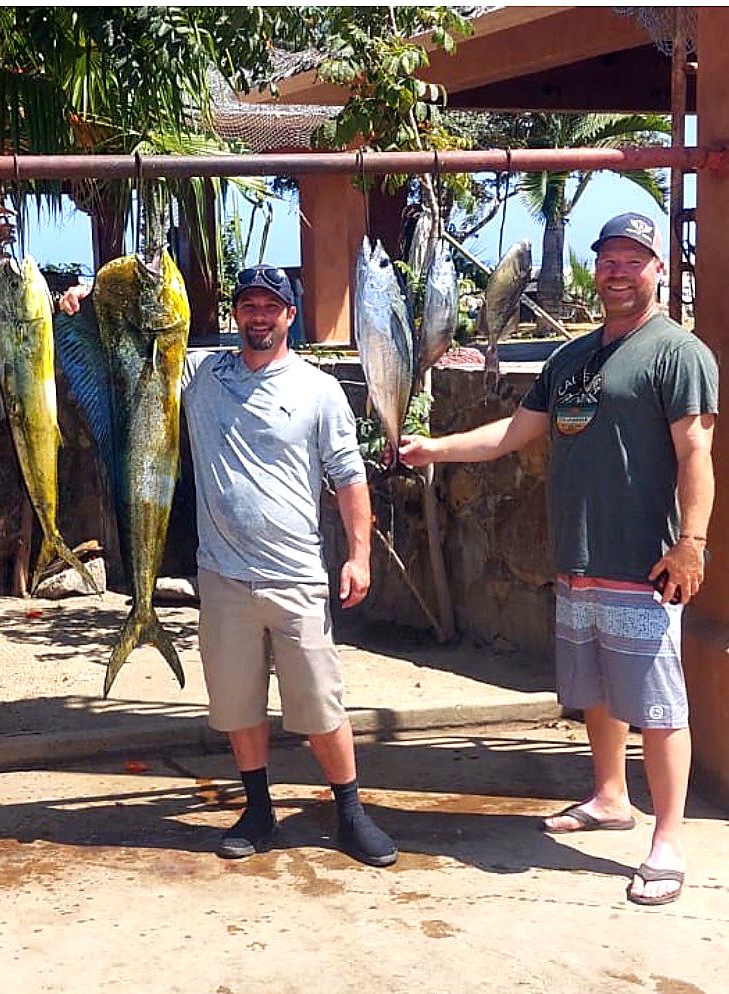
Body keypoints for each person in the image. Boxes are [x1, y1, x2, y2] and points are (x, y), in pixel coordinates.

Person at [400, 213, 717, 907]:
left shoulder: (677, 352)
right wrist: (436, 448)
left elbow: (698, 455)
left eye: (635, 259)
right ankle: (610, 796)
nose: (619, 271)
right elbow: (514, 434)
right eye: (610, 259)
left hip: (645, 566)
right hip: (576, 562)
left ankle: (668, 838)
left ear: (658, 268)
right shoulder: (569, 359)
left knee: (659, 706)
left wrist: (691, 542)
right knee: (597, 691)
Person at [62, 265, 397, 866]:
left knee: (321, 706)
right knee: (238, 706)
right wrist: (89, 304)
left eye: (271, 307)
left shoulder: (319, 390)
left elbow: (349, 477)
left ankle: (350, 810)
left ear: (290, 315)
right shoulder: (200, 374)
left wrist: (360, 556)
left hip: (296, 576)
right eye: (248, 306)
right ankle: (259, 809)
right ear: (235, 315)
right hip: (221, 578)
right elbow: (139, 353)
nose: (259, 317)